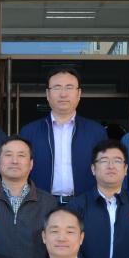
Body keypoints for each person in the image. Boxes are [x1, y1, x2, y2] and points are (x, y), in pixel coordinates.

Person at [19, 67, 106, 203]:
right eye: (57, 87)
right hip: (41, 205)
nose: (63, 94)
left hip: (84, 204)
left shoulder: (96, 132)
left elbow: (104, 170)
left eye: (69, 87)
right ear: (48, 94)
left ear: (79, 93)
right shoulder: (29, 132)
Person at [0, 136, 55, 258]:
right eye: (8, 155)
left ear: (31, 164)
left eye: (21, 155)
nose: (14, 161)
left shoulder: (48, 202)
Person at [69, 139, 129, 258]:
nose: (111, 166)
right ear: (93, 169)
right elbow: (69, 246)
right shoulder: (76, 207)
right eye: (104, 161)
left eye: (117, 161)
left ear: (126, 169)